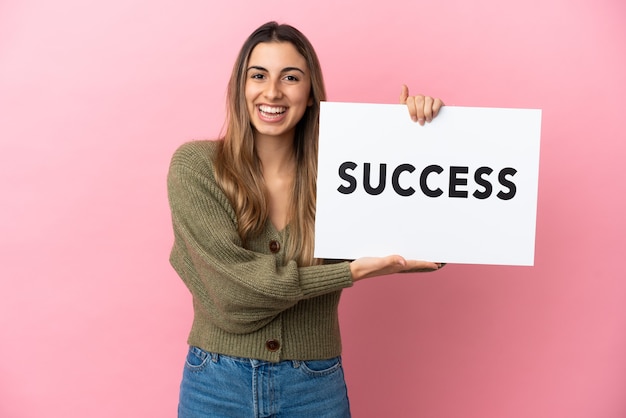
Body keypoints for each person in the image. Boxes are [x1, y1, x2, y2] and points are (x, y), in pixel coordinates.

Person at [167, 21, 445, 418]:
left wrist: (413, 145)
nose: (273, 91)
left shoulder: (344, 173)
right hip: (216, 382)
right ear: (240, 87)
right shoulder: (197, 168)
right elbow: (234, 294)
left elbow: (431, 252)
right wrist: (349, 272)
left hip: (314, 386)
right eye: (258, 75)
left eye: (291, 77)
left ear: (311, 93)